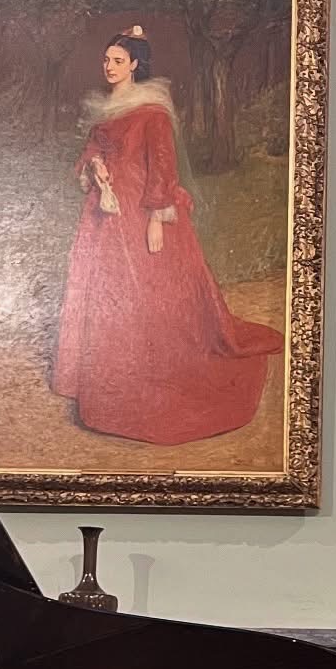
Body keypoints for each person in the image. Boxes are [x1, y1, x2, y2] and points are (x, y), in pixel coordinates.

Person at [52, 26, 282, 444]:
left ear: (136, 65)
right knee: (105, 289)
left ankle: (148, 372)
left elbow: (162, 166)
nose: (110, 67)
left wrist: (157, 218)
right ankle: (102, 372)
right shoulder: (105, 107)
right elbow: (90, 148)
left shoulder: (152, 111)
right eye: (107, 60)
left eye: (118, 61)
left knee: (147, 291)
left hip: (140, 209)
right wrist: (94, 165)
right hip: (105, 211)